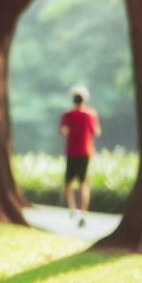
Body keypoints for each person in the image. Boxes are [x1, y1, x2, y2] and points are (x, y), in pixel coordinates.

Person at [59, 87, 100, 228]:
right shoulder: (91, 114)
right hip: (85, 152)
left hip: (72, 152)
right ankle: (83, 213)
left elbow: (62, 131)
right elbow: (96, 131)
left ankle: (72, 210)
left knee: (68, 183)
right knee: (83, 183)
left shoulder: (67, 115)